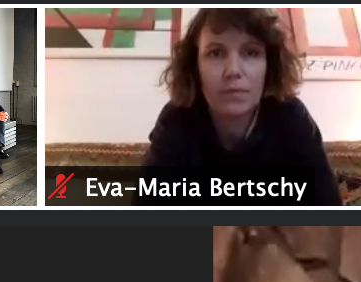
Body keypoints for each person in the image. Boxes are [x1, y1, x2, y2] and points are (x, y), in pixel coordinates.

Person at [140, 8, 340, 206]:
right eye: (215, 53)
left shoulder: (292, 119)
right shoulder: (176, 120)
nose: (233, 71)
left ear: (269, 64)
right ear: (195, 67)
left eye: (251, 52)